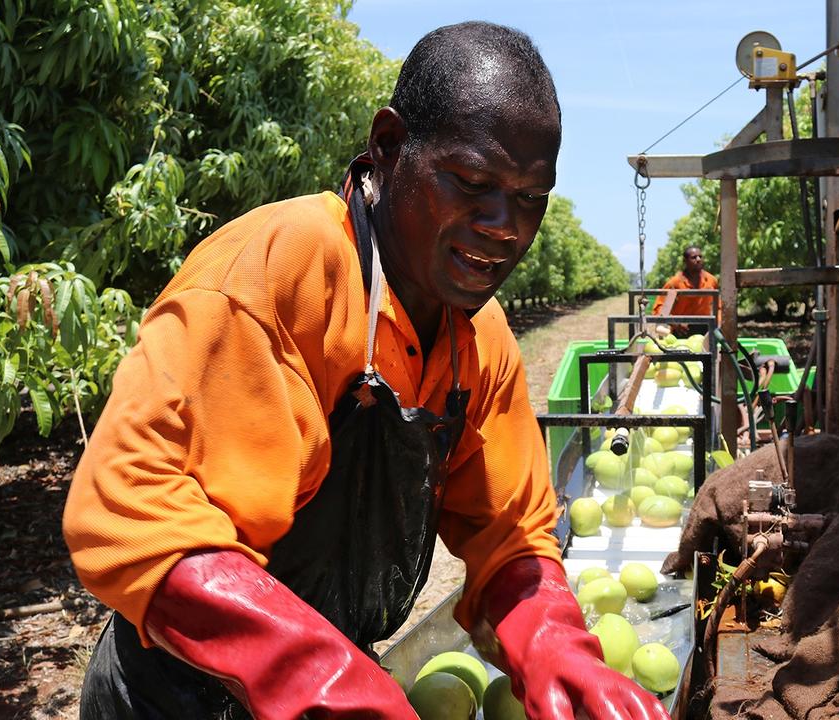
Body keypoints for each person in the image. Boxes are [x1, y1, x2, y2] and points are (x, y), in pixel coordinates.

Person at [63, 21, 669, 720]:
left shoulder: (481, 336)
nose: (505, 224)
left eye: (531, 198)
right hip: (176, 698)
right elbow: (129, 510)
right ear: (388, 148)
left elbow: (510, 535)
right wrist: (317, 677)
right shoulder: (277, 275)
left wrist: (555, 646)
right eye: (473, 182)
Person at [651, 246, 719, 336]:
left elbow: (719, 306)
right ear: (685, 261)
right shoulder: (675, 283)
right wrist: (675, 323)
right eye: (693, 257)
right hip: (681, 330)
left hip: (705, 328)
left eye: (700, 256)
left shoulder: (711, 280)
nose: (698, 259)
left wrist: (719, 324)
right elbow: (659, 308)